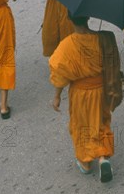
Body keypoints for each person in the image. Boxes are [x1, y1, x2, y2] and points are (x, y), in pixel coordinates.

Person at [50, 14, 117, 182]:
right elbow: (113, 63)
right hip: (101, 90)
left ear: (70, 20)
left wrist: (57, 96)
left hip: (80, 92)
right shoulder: (103, 39)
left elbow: (59, 73)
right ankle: (103, 157)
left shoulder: (66, 46)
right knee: (101, 122)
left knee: (82, 126)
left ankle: (86, 163)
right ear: (88, 18)